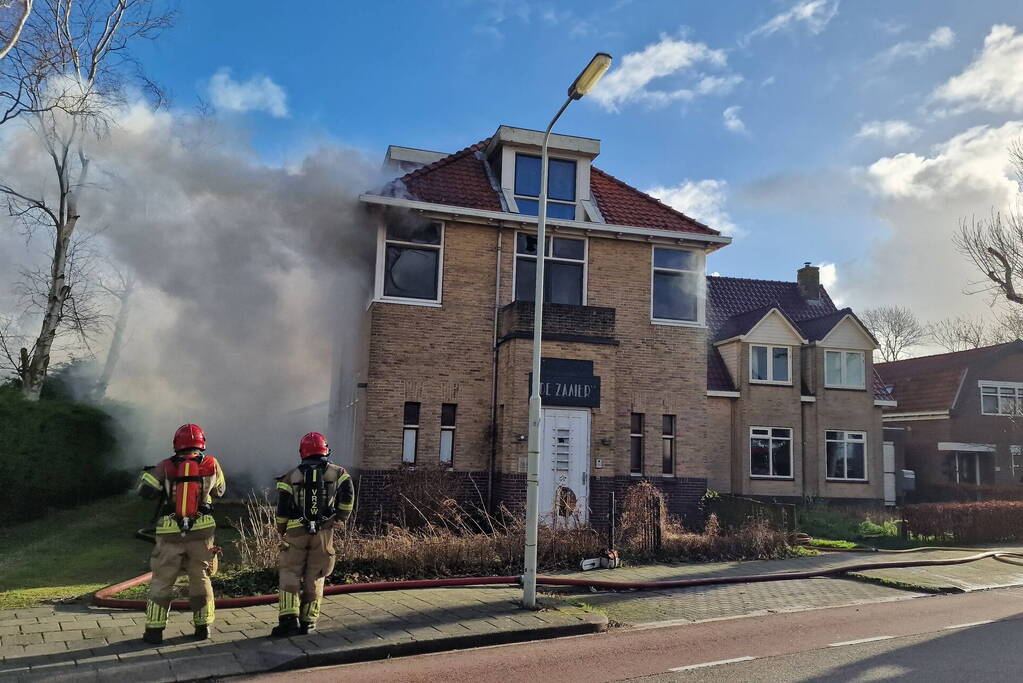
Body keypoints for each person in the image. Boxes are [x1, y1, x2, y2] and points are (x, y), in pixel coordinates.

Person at [136, 423, 226, 645]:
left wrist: (152, 476)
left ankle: (154, 631)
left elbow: (145, 492)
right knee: (201, 577)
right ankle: (203, 627)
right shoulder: (212, 463)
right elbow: (220, 491)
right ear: (202, 443)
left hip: (170, 531)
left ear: (176, 443)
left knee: (162, 579)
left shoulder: (165, 465)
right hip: (202, 529)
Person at [270, 432, 355, 637]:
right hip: (324, 531)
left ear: (302, 452)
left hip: (295, 531)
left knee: (290, 572)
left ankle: (289, 620)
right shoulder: (339, 472)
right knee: (316, 574)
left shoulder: (291, 475)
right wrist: (340, 517)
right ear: (325, 450)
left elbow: (282, 509)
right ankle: (308, 621)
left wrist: (281, 529)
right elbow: (348, 497)